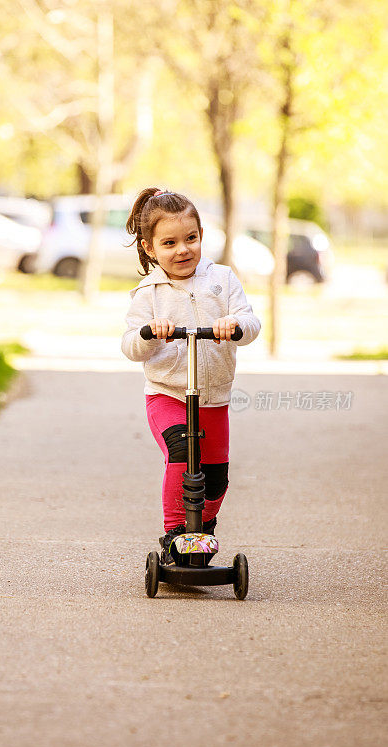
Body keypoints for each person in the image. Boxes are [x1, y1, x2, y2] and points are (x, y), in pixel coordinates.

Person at [121, 187, 261, 565]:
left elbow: (251, 323)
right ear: (150, 248)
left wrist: (234, 325)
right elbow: (130, 345)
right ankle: (174, 535)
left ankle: (202, 532)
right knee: (183, 454)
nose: (182, 249)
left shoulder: (223, 279)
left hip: (213, 396)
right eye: (169, 243)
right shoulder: (148, 292)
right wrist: (150, 333)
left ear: (201, 235)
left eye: (191, 238)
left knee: (216, 480)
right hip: (167, 395)